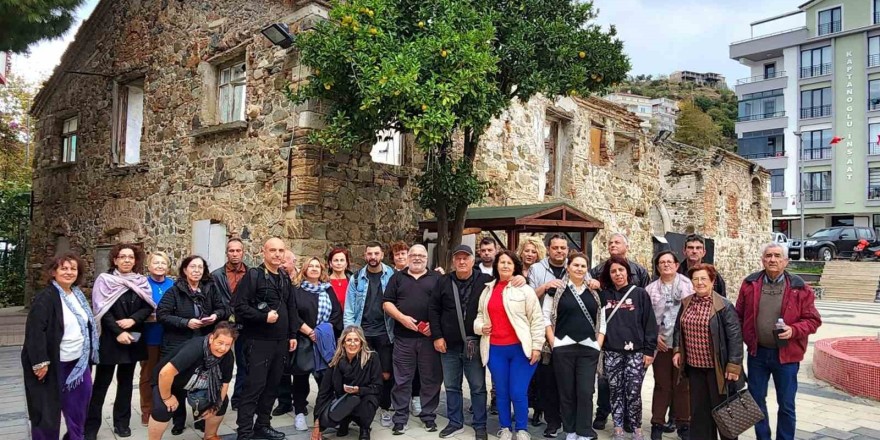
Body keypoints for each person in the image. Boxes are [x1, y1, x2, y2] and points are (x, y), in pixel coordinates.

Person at [735, 243, 822, 440]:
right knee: (756, 401)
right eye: (768, 256)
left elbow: (813, 320)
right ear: (762, 259)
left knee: (786, 404)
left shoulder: (799, 287)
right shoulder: (750, 284)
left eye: (777, 256)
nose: (772, 259)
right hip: (757, 353)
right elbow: (738, 316)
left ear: (785, 261)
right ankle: (762, 437)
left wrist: (794, 330)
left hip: (787, 356)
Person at [23, 253, 99, 440]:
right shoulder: (46, 297)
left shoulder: (78, 295)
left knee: (79, 410)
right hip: (52, 365)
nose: (69, 272)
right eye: (63, 268)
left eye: (73, 268)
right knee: (46, 414)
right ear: (54, 272)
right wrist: (40, 362)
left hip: (78, 364)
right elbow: (35, 331)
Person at [85, 244, 155, 440]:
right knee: (101, 384)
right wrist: (117, 331)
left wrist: (133, 320)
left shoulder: (141, 281)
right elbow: (101, 310)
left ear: (135, 260)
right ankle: (90, 428)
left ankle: (121, 424)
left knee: (125, 383)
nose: (126, 260)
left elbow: (148, 306)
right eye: (122, 257)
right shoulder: (105, 280)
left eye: (130, 257)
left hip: (133, 337)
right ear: (114, 260)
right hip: (109, 339)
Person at [233, 237, 301, 440]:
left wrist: (292, 334)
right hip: (257, 342)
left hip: (281, 343)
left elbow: (291, 307)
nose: (277, 254)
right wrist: (263, 316)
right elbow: (239, 307)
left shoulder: (284, 276)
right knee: (253, 387)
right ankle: (244, 432)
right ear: (264, 252)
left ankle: (263, 424)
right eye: (273, 250)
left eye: (281, 250)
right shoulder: (253, 276)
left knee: (272, 387)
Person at [475, 250, 545, 440]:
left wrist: (537, 346)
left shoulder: (525, 289)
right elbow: (480, 316)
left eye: (509, 263)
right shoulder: (488, 289)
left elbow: (537, 320)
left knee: (518, 391)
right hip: (495, 349)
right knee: (502, 391)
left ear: (515, 266)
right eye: (502, 262)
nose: (505, 265)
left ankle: (522, 428)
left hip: (520, 350)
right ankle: (505, 427)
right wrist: (481, 327)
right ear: (496, 266)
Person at [156, 255, 229, 434]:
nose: (196, 270)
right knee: (178, 382)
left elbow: (223, 309)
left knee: (200, 382)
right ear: (185, 270)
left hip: (204, 343)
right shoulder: (175, 291)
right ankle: (178, 421)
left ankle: (199, 417)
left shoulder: (210, 288)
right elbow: (162, 315)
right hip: (179, 343)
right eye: (192, 267)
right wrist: (185, 322)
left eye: (200, 267)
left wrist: (215, 316)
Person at [429, 245, 493, 440]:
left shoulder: (486, 281)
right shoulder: (443, 282)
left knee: (478, 387)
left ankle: (480, 425)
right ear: (453, 261)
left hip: (474, 343)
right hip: (448, 344)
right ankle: (455, 422)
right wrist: (437, 336)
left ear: (474, 261)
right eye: (458, 258)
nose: (462, 261)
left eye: (466, 258)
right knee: (451, 386)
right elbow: (433, 309)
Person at [588, 232, 650, 431]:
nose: (612, 245)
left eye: (617, 242)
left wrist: (648, 348)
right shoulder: (599, 275)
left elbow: (647, 315)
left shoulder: (640, 277)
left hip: (634, 344)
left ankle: (632, 422)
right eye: (610, 242)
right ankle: (607, 417)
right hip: (611, 344)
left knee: (632, 388)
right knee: (609, 384)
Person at [673, 264, 743, 440]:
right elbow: (677, 329)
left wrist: (734, 365)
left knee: (724, 412)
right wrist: (677, 350)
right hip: (695, 368)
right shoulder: (687, 302)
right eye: (695, 279)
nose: (699, 282)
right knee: (700, 413)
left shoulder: (724, 306)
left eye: (703, 278)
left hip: (718, 369)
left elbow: (735, 336)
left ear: (712, 281)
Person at [543, 252, 606, 440]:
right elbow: (546, 317)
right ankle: (570, 430)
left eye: (583, 266)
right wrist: (554, 342)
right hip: (563, 347)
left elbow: (602, 320)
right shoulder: (555, 291)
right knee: (567, 391)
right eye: (576, 265)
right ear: (568, 267)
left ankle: (584, 431)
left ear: (587, 270)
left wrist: (598, 344)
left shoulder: (596, 292)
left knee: (586, 391)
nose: (579, 269)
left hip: (589, 349)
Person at [383, 244, 442, 435]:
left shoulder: (437, 278)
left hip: (429, 339)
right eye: (413, 255)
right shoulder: (397, 277)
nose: (417, 258)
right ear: (408, 257)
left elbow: (446, 304)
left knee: (430, 379)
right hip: (403, 338)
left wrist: (436, 326)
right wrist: (401, 318)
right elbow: (386, 303)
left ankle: (428, 416)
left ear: (427, 258)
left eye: (421, 255)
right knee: (401, 380)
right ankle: (400, 418)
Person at [282, 257, 343, 431]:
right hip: (304, 339)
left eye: (317, 266)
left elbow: (337, 313)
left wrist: (323, 331)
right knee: (301, 377)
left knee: (325, 378)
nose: (314, 269)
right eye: (311, 266)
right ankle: (300, 412)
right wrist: (309, 332)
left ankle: (326, 414)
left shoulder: (328, 289)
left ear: (322, 270)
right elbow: (292, 314)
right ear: (305, 269)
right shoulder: (297, 290)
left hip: (324, 340)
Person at [599, 255, 657, 440]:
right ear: (609, 275)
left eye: (621, 270)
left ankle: (636, 427)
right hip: (612, 351)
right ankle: (617, 427)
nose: (618, 274)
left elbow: (649, 323)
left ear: (627, 272)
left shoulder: (640, 293)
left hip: (636, 352)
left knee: (633, 391)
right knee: (615, 390)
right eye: (613, 271)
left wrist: (649, 350)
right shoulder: (605, 295)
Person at [147, 322, 237, 440]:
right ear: (211, 338)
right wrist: (167, 397)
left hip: (198, 383)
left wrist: (215, 406)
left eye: (227, 345)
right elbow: (165, 373)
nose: (222, 348)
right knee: (163, 409)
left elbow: (225, 383)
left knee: (221, 401)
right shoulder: (195, 348)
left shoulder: (227, 356)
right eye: (220, 343)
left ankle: (210, 435)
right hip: (169, 381)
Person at [343, 241, 396, 427]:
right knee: (360, 373)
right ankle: (360, 410)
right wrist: (350, 333)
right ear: (365, 256)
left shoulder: (392, 275)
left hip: (385, 332)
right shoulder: (357, 278)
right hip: (362, 332)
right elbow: (349, 307)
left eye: (376, 254)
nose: (373, 257)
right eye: (369, 254)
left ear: (382, 255)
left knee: (386, 373)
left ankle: (384, 408)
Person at [646, 251, 693, 440]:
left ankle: (684, 424)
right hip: (662, 344)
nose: (666, 265)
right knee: (662, 385)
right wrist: (653, 336)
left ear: (676, 265)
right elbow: (646, 317)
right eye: (662, 263)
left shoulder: (687, 285)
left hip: (683, 344)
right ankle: (657, 423)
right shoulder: (650, 289)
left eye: (669, 262)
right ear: (657, 267)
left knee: (682, 386)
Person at [526, 234, 569, 437]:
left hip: (570, 330)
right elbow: (529, 297)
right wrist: (545, 286)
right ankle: (552, 420)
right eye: (555, 248)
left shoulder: (576, 266)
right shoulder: (536, 269)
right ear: (548, 249)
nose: (559, 251)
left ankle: (568, 418)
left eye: (563, 247)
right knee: (548, 380)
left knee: (569, 379)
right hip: (544, 331)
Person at [311, 326, 384, 440]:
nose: (352, 344)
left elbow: (378, 387)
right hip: (342, 399)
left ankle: (364, 428)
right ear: (343, 343)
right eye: (349, 340)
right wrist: (317, 423)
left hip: (364, 397)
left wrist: (359, 390)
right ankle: (344, 421)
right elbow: (324, 392)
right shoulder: (335, 361)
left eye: (356, 340)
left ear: (361, 343)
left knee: (369, 400)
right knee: (326, 419)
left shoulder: (372, 358)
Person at [210, 238, 249, 410]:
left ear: (243, 252)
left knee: (243, 362)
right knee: (219, 360)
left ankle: (239, 398)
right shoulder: (217, 275)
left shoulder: (250, 273)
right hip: (223, 323)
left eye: (238, 250)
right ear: (227, 253)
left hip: (245, 323)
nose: (235, 254)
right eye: (231, 251)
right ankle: (216, 397)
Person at [140, 252, 175, 426]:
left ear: (168, 267)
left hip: (170, 336)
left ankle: (165, 406)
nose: (160, 266)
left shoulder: (173, 284)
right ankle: (147, 409)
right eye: (156, 262)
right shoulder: (142, 284)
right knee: (148, 374)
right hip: (150, 337)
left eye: (163, 263)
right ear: (149, 265)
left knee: (168, 373)